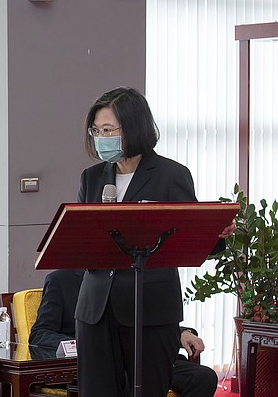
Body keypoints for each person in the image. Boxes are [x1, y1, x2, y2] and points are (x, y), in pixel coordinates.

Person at [75, 87, 234, 397]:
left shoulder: (170, 175)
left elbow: (191, 240)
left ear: (134, 128)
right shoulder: (91, 177)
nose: (101, 137)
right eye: (96, 130)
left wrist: (215, 233)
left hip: (151, 308)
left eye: (108, 130)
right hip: (95, 310)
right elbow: (81, 242)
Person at [30, 269, 218, 397]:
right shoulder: (61, 279)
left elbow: (140, 319)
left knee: (203, 378)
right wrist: (75, 345)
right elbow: (40, 333)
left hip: (144, 351)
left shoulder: (144, 279)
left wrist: (182, 333)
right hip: (94, 354)